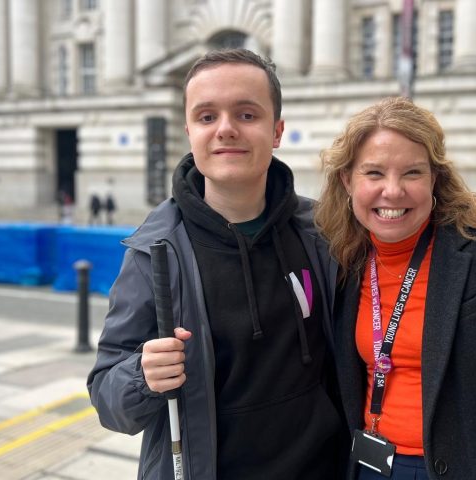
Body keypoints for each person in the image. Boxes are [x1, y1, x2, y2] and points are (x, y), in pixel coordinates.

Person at [87, 49, 346, 480]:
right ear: (189, 131)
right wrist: (142, 375)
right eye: (207, 117)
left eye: (247, 114)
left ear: (277, 130)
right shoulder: (155, 251)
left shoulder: (324, 233)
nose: (226, 129)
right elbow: (108, 401)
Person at [315, 97, 476, 479]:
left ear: (434, 178)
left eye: (412, 173)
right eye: (374, 173)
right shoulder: (344, 255)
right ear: (347, 180)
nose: (392, 191)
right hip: (371, 464)